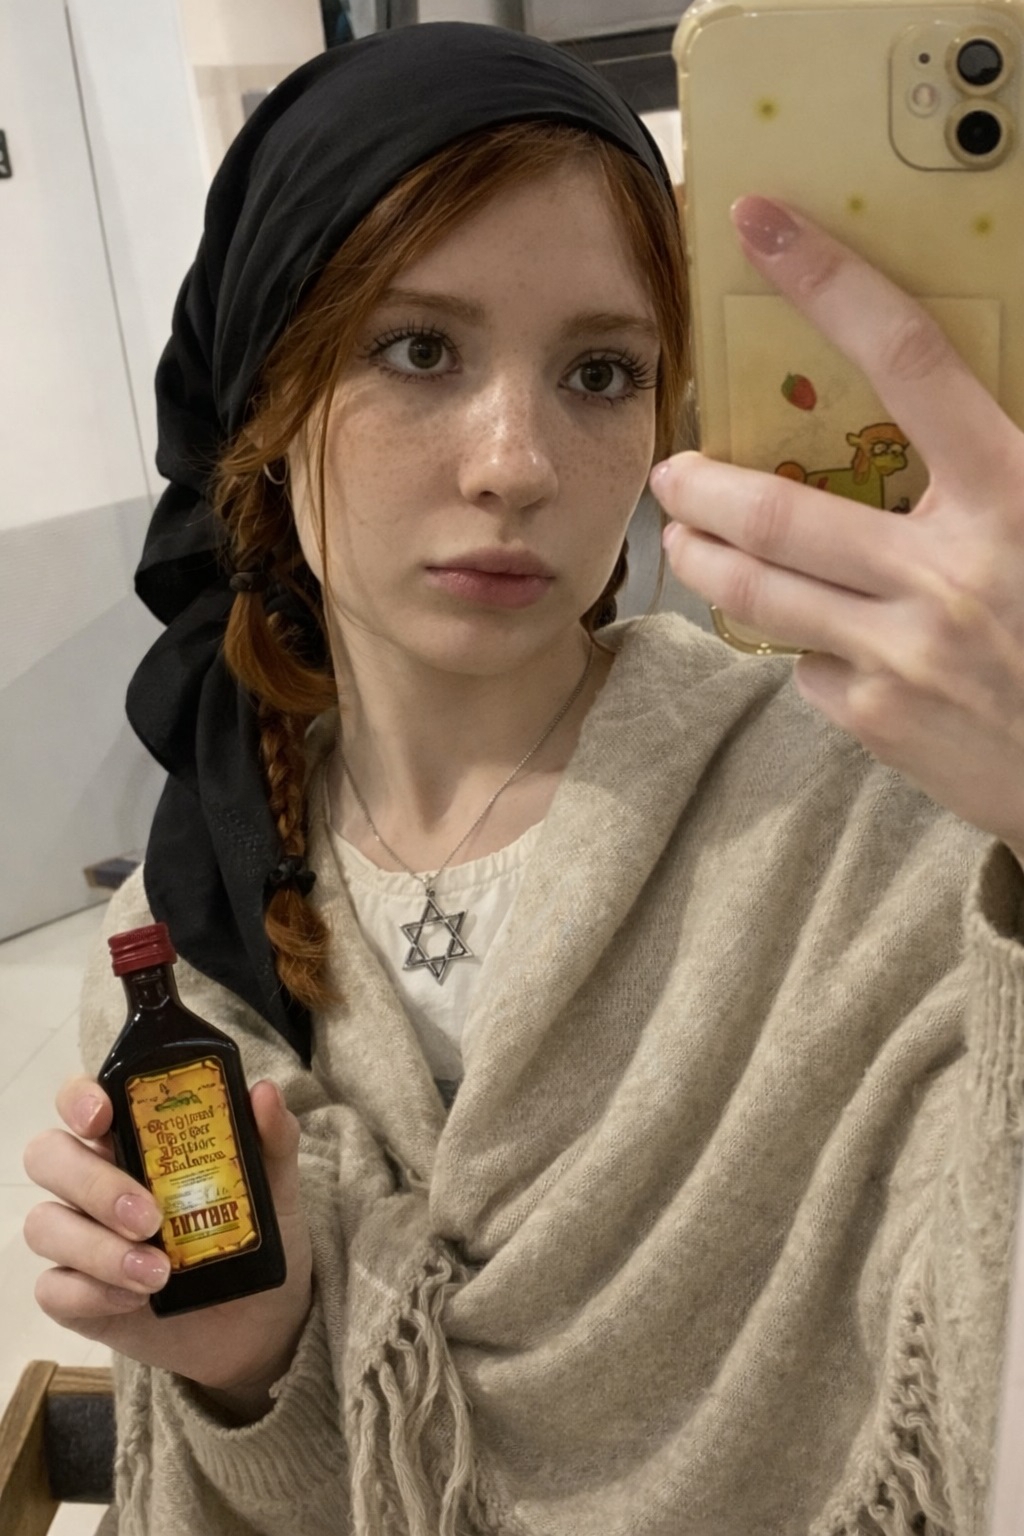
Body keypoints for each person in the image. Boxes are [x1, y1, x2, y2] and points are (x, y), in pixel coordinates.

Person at [19, 20, 1024, 1536]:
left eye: (601, 372)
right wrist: (253, 1366)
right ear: (267, 402)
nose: (518, 463)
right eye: (419, 349)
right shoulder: (190, 950)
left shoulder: (862, 808)